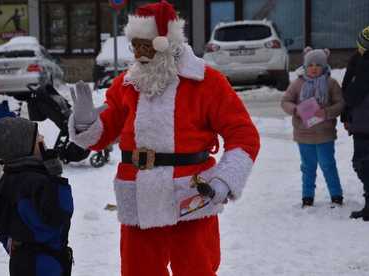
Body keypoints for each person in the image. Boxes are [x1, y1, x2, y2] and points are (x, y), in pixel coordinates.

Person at [68, 1, 260, 275]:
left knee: (195, 269)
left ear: (167, 41)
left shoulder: (206, 82)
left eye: (147, 45)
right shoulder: (126, 84)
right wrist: (87, 122)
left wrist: (224, 180)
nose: (140, 54)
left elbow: (243, 135)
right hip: (138, 198)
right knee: (138, 270)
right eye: (135, 46)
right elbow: (102, 135)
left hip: (191, 196)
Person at [0, 117, 73, 276]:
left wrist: (12, 244)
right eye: (38, 136)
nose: (42, 138)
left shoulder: (5, 182)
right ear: (23, 147)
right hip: (46, 263)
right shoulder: (39, 182)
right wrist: (56, 179)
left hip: (20, 262)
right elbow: (61, 212)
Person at [281, 47, 344, 208]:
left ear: (324, 66)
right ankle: (307, 197)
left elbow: (341, 104)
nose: (314, 68)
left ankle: (336, 195)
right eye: (310, 64)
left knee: (328, 165)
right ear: (305, 66)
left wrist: (326, 112)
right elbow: (285, 101)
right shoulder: (298, 83)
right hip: (304, 135)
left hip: (325, 134)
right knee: (308, 167)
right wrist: (295, 109)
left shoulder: (331, 83)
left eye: (318, 64)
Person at [341, 26, 369, 221]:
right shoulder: (358, 61)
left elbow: (351, 95)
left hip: (364, 124)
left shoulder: (362, 64)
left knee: (363, 164)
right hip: (360, 122)